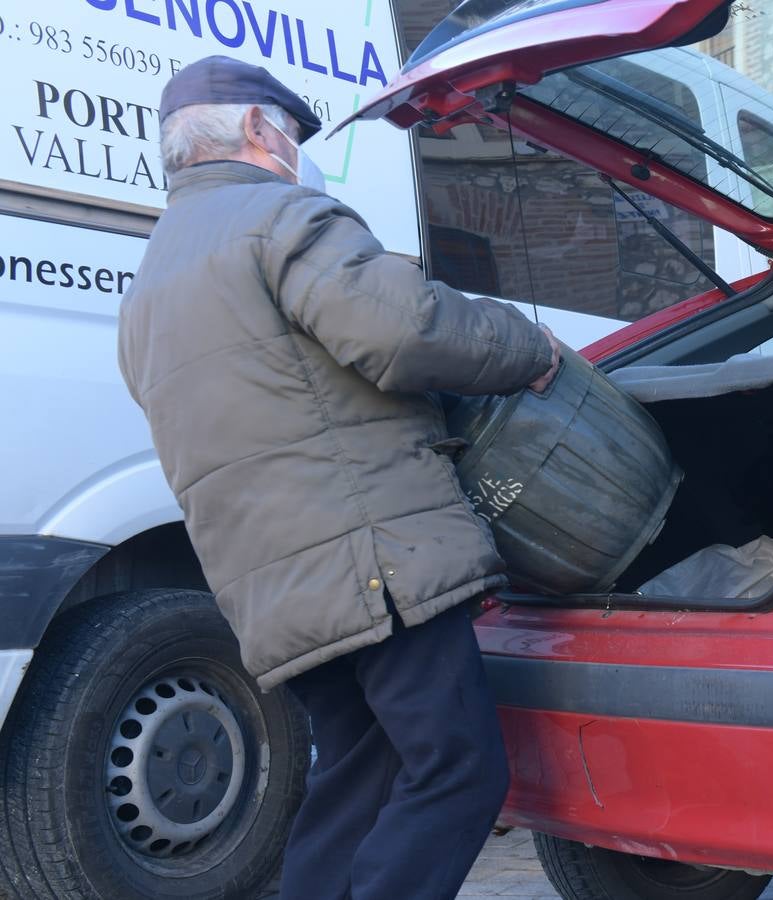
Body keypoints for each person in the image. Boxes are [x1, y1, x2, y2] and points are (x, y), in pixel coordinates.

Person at [117, 56, 560, 900]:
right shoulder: (282, 215)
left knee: (354, 785)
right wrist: (527, 349)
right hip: (371, 561)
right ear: (256, 129)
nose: (297, 152)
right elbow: (403, 331)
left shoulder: (148, 286)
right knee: (458, 771)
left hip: (275, 589)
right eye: (290, 133)